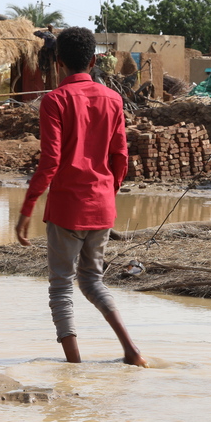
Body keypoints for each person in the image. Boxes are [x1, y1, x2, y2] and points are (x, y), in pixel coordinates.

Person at [15, 26, 147, 367]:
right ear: (92, 60)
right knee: (92, 281)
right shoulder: (113, 99)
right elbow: (121, 157)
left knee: (61, 287)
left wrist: (28, 207)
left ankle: (74, 366)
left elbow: (51, 161)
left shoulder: (54, 101)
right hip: (101, 207)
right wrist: (108, 193)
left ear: (58, 62)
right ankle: (132, 351)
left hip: (66, 209)